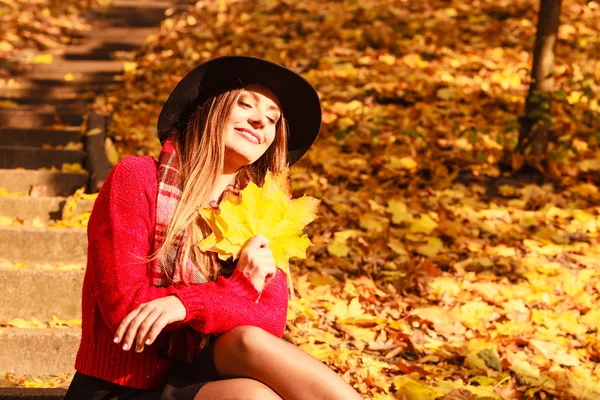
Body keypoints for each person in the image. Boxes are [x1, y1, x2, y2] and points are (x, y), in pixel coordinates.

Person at [65, 56, 363, 400]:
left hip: (198, 370)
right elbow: (127, 309)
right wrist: (227, 291)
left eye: (272, 119)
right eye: (245, 103)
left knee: (247, 341)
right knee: (254, 398)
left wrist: (186, 305)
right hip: (120, 387)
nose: (259, 121)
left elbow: (267, 322)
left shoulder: (261, 212)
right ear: (211, 109)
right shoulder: (136, 179)